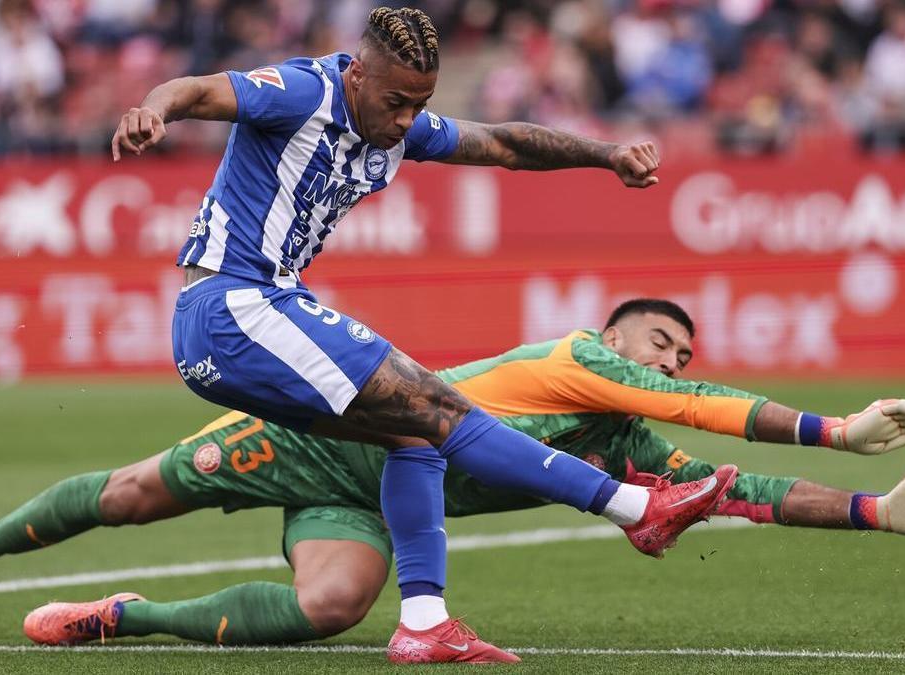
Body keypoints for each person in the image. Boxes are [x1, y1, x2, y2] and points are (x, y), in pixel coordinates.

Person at [108, 6, 729, 662]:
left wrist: (606, 155)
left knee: (415, 436)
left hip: (261, 310)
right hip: (231, 305)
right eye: (396, 101)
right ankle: (635, 508)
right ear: (356, 74)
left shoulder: (397, 126)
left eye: (419, 103)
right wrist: (153, 109)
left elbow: (505, 144)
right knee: (436, 401)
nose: (406, 119)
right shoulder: (304, 91)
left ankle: (424, 622)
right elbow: (202, 89)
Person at [0, 299, 905, 658]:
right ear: (617, 330)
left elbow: (744, 490)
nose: (671, 359)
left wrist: (881, 514)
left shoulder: (630, 441)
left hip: (365, 495)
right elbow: (706, 408)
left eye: (681, 350)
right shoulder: (574, 356)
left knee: (333, 608)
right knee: (125, 497)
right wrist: (835, 427)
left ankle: (120, 618)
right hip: (317, 435)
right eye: (660, 338)